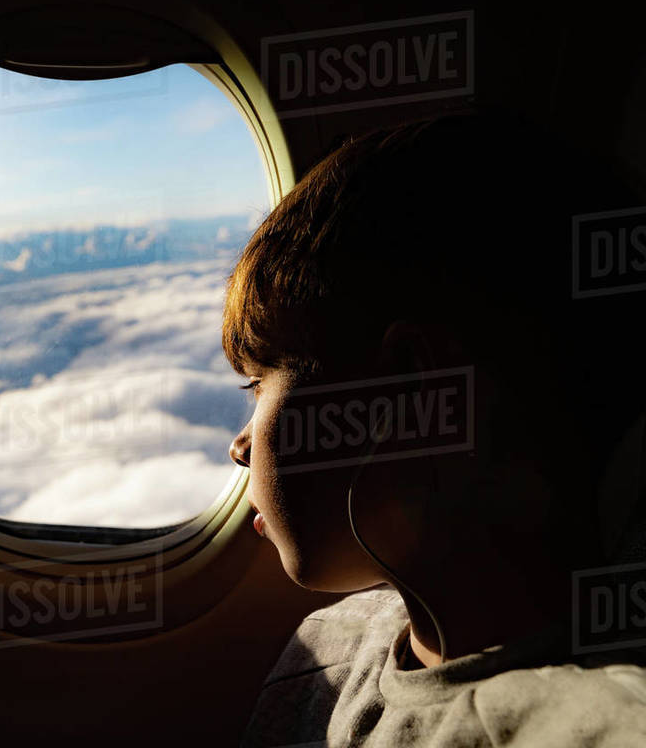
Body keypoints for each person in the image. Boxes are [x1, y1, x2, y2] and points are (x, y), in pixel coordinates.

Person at [224, 112, 646, 746]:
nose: (239, 445)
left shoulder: (600, 724)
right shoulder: (325, 652)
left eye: (259, 386)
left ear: (414, 390)